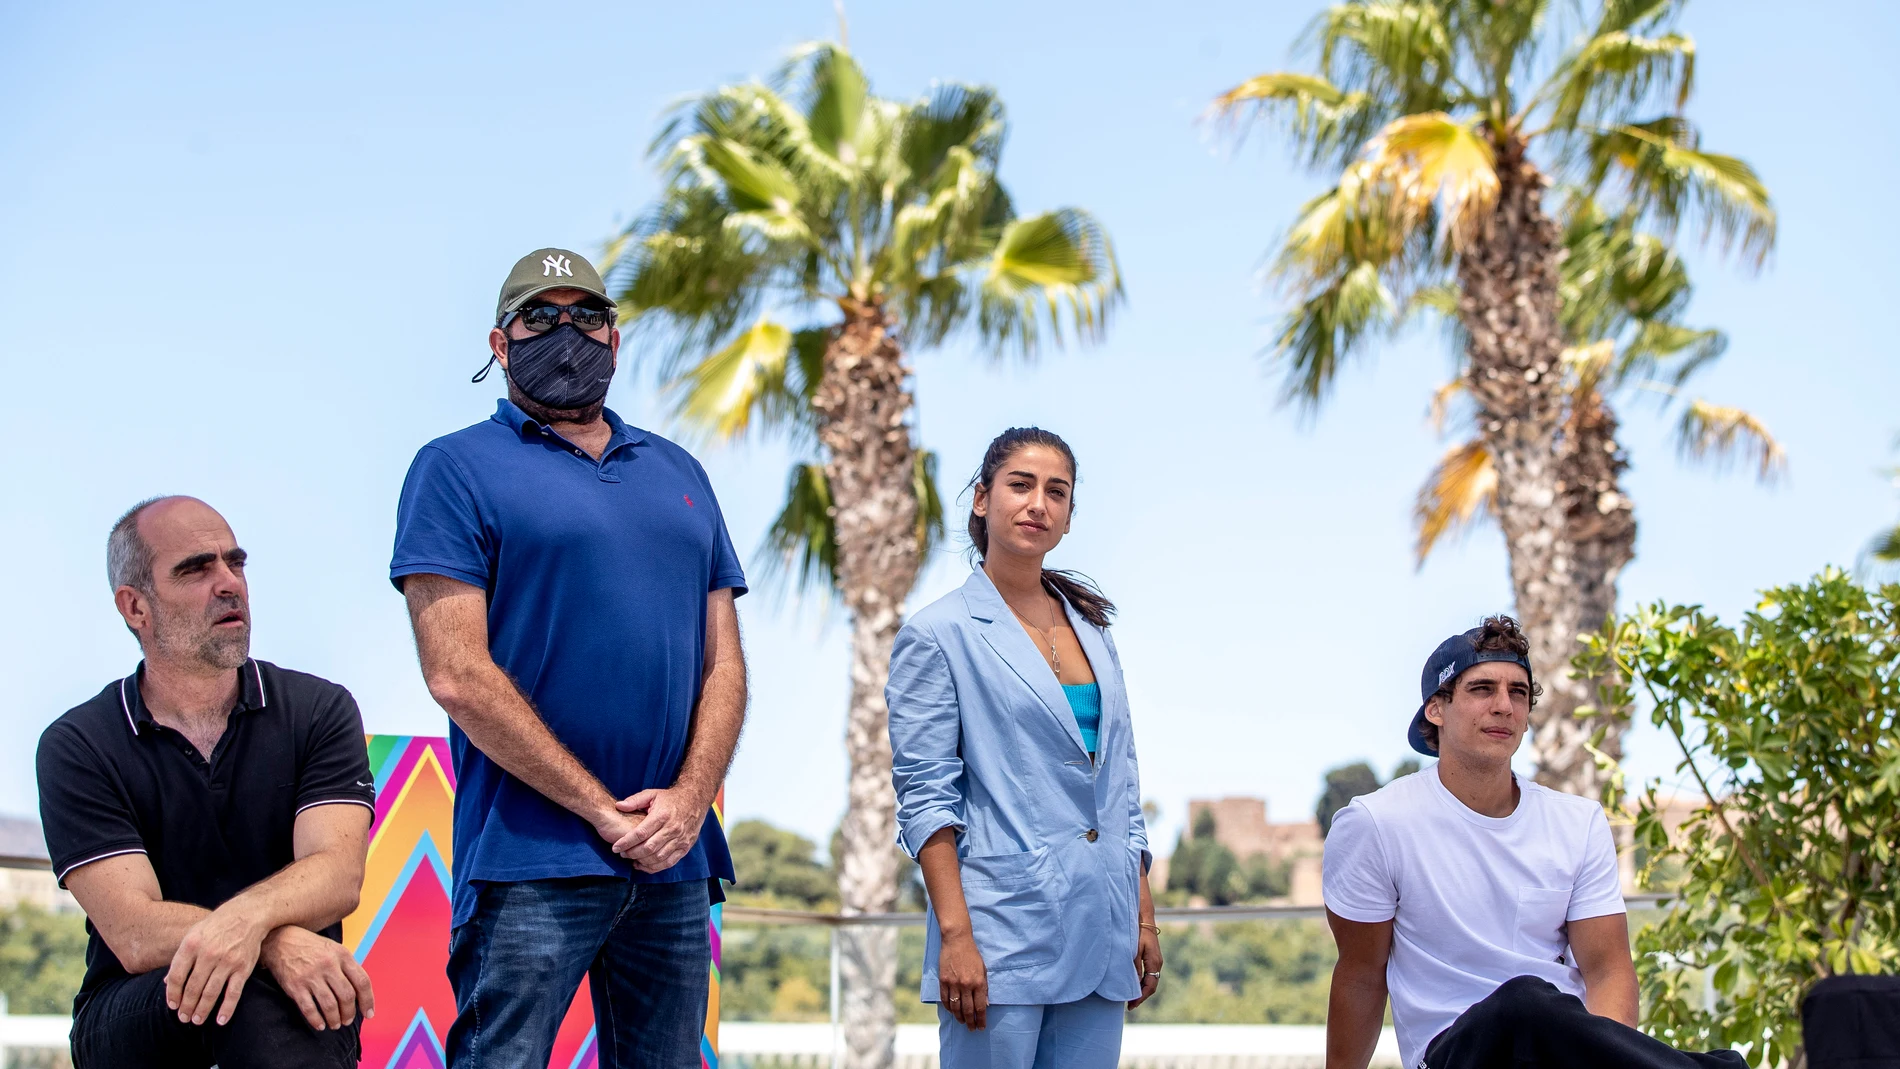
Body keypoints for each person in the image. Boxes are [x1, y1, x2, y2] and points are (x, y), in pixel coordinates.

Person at [391, 247, 749, 1068]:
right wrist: (599, 807)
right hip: (529, 857)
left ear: (616, 339)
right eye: (540, 317)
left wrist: (690, 803)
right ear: (500, 341)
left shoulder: (679, 471)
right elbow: (456, 673)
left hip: (673, 857)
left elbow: (724, 663)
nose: (566, 332)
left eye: (586, 315)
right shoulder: (453, 468)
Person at [37, 496, 377, 1069]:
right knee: (241, 987)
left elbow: (337, 875)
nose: (229, 584)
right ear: (135, 607)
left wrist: (248, 932)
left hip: (299, 1007)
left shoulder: (318, 710)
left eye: (235, 563)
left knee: (270, 997)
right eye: (196, 569)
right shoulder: (80, 743)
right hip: (136, 1007)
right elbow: (136, 932)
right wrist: (272, 941)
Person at [1321, 616, 1746, 1069]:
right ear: (1436, 709)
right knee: (1523, 1001)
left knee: (1536, 1007)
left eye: (1518, 693)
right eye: (1483, 689)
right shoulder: (1376, 823)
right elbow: (1362, 976)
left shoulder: (1577, 822)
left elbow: (1608, 971)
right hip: (1454, 1054)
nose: (1504, 706)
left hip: (1560, 1048)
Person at [887, 427, 1162, 1069]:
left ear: (1069, 516)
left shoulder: (1095, 631)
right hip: (997, 937)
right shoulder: (937, 635)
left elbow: (1119, 783)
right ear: (982, 499)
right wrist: (956, 935)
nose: (1038, 503)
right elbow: (925, 797)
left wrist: (1142, 918)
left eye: (1056, 492)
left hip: (1102, 931)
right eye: (1021, 485)